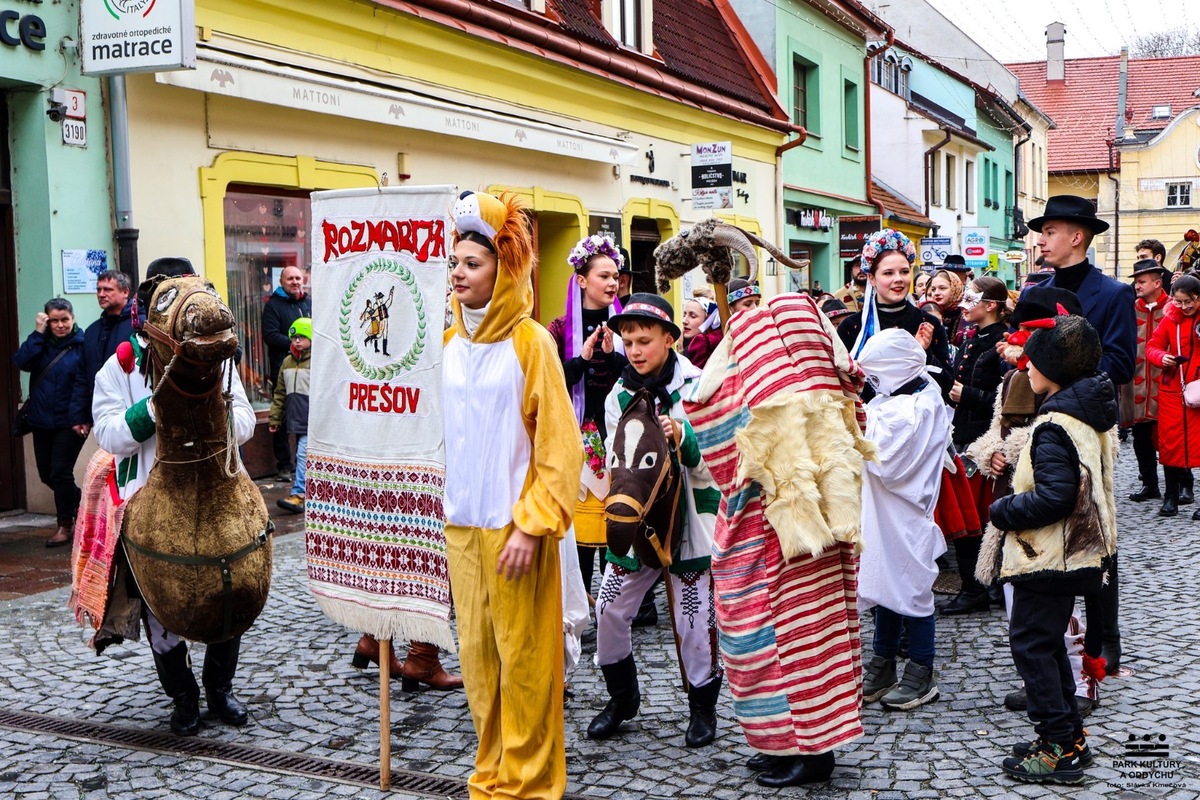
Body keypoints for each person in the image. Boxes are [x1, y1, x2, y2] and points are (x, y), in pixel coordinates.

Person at [442, 190, 579, 800]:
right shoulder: (447, 345)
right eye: (454, 262)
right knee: (478, 661)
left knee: (524, 661)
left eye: (472, 263)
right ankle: (492, 772)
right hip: (462, 529)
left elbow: (559, 447)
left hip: (513, 528)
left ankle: (529, 783)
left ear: (503, 269)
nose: (459, 272)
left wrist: (531, 523)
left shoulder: (531, 343)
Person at [92, 255, 256, 737]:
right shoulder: (120, 367)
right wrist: (156, 409)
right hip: (149, 499)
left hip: (217, 496)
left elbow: (245, 421)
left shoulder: (216, 361)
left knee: (228, 592)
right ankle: (183, 697)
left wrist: (208, 415)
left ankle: (220, 689)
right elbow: (108, 434)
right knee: (160, 607)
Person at [980, 315, 1116, 785]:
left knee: (1033, 647)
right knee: (1047, 644)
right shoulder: (1080, 415)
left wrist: (1004, 509)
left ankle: (1057, 748)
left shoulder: (1055, 425)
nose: (1026, 367)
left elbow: (1057, 496)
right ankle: (1069, 736)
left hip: (1049, 558)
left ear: (1052, 368)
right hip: (1068, 555)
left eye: (1033, 360)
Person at [588, 293, 722, 749]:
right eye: (628, 342)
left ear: (669, 339)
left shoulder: (699, 386)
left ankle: (702, 705)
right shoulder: (619, 396)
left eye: (644, 341)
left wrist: (684, 438)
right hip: (638, 521)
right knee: (608, 608)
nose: (635, 351)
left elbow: (721, 458)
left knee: (694, 619)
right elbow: (618, 460)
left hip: (689, 519)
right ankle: (622, 698)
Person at [965, 287, 1099, 718]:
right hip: (1016, 502)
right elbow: (994, 430)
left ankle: (1079, 683)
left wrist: (1019, 448)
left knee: (1058, 608)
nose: (1016, 341)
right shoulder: (1014, 380)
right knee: (1020, 606)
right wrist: (991, 453)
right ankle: (1041, 685)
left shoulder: (1077, 387)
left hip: (1054, 518)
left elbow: (1078, 453)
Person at [1030, 195, 1134, 674]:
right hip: (1044, 423)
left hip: (1091, 425)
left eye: (1050, 231)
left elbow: (1121, 363)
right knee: (1049, 534)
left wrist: (1065, 367)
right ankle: (1054, 653)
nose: (1042, 240)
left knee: (1097, 533)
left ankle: (1103, 638)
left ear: (1077, 236)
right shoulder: (1037, 290)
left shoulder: (1113, 294)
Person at [858, 328, 949, 712]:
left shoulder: (920, 406)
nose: (872, 383)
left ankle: (921, 669)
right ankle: (883, 663)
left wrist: (855, 423)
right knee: (884, 582)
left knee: (911, 586)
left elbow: (890, 462)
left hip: (907, 510)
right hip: (882, 510)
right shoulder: (896, 397)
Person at [546, 234, 628, 599]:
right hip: (576, 434)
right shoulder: (559, 329)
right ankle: (577, 598)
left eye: (615, 277)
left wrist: (613, 357)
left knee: (616, 516)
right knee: (579, 521)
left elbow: (637, 375)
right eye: (604, 276)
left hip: (617, 434)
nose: (612, 283)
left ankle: (616, 598)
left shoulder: (626, 326)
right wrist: (581, 359)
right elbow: (550, 382)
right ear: (581, 280)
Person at [941, 277, 1012, 616]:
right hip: (964, 437)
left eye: (972, 299)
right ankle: (980, 585)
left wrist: (967, 395)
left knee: (980, 519)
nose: (964, 305)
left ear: (991, 306)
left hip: (986, 441)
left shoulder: (1002, 343)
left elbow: (1007, 398)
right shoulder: (973, 338)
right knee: (972, 518)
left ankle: (980, 587)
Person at [837, 231, 953, 400]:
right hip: (868, 416)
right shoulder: (852, 327)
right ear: (872, 278)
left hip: (919, 414)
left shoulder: (928, 323)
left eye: (904, 272)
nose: (898, 279)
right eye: (888, 273)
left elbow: (947, 384)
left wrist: (923, 353)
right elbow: (842, 386)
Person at [13, 299, 86, 547]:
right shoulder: (40, 344)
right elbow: (21, 362)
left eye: (65, 319)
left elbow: (86, 384)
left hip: (70, 422)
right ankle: (86, 503)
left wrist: (83, 417)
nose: (60, 325)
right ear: (47, 321)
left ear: (73, 319)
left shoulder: (82, 346)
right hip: (41, 420)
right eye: (54, 320)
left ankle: (65, 525)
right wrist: (37, 333)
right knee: (47, 474)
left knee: (60, 472)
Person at [1146, 273, 1200, 519]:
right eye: (1179, 301)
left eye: (1190, 301)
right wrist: (1162, 357)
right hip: (1173, 391)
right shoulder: (1170, 320)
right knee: (1170, 445)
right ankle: (1170, 497)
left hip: (1196, 388)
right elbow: (1152, 346)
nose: (1184, 306)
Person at [1126, 260, 1171, 502]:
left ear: (1157, 282)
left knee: (1172, 435)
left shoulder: (1174, 307)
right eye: (1136, 282)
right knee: (1140, 435)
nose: (1137, 286)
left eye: (1142, 281)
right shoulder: (1129, 309)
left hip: (1167, 381)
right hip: (1136, 382)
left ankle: (1181, 484)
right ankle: (1149, 484)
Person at [261, 265, 311, 482]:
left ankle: (306, 465)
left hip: (309, 370)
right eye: (290, 278)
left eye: (298, 278)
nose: (295, 282)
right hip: (284, 370)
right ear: (281, 282)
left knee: (306, 418)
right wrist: (295, 345)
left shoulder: (309, 304)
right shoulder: (273, 306)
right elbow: (270, 335)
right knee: (280, 416)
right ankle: (284, 465)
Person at [69, 270, 134, 438]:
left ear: (125, 292)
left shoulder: (140, 325)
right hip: (101, 414)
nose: (101, 294)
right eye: (98, 290)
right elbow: (83, 375)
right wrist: (80, 415)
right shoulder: (92, 331)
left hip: (131, 414)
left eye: (108, 289)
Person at [269, 318, 312, 514]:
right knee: (302, 455)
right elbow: (280, 392)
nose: (297, 341)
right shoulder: (287, 362)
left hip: (312, 421)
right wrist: (275, 418)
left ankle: (299, 494)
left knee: (302, 454)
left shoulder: (317, 362)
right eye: (294, 337)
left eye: (302, 337)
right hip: (296, 419)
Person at [927, 269, 968, 350]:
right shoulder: (926, 314)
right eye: (933, 289)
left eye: (942, 288)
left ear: (955, 289)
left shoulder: (967, 317)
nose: (936, 293)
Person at [679, 292, 722, 370]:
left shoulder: (703, 343)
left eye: (693, 316)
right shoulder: (686, 341)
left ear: (708, 320)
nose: (684, 321)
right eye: (684, 315)